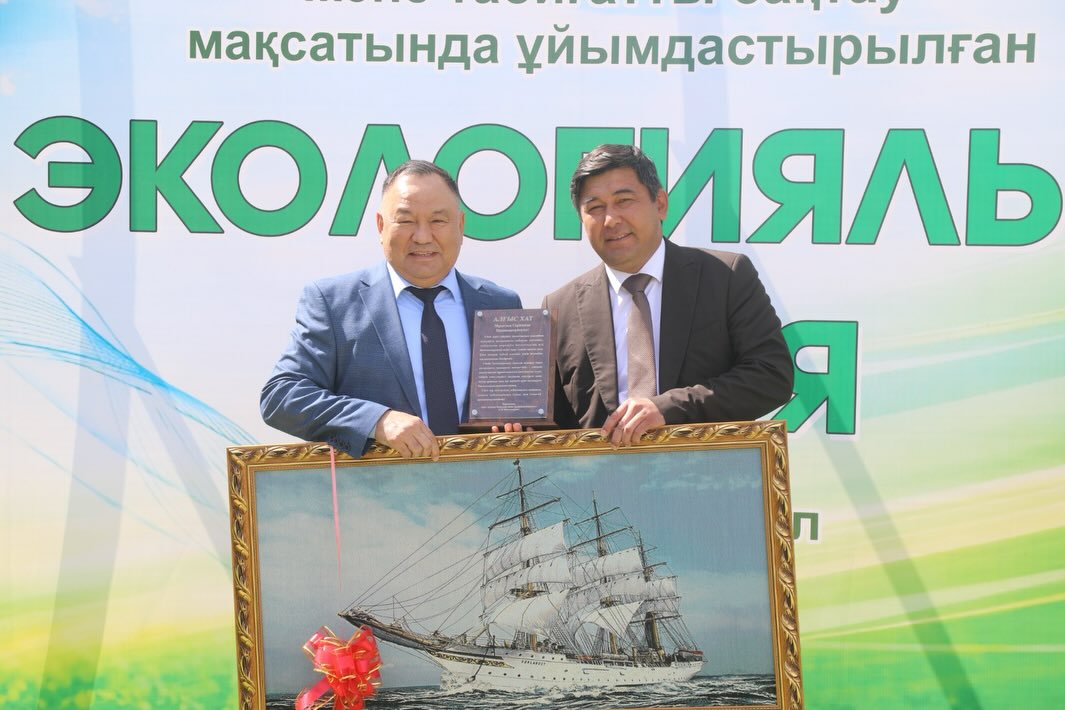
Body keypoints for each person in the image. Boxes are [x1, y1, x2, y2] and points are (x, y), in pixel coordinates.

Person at [261, 160, 521, 459]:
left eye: (438, 220)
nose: (422, 236)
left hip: (485, 484)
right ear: (381, 226)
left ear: (460, 226)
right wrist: (376, 420)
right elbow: (281, 396)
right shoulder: (333, 303)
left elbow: (520, 410)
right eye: (406, 220)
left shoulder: (501, 305)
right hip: (381, 488)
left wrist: (520, 425)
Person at [543, 144, 793, 445]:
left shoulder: (725, 277)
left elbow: (771, 376)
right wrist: (517, 428)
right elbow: (553, 423)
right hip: (600, 474)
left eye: (624, 201)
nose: (610, 219)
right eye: (595, 207)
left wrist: (667, 409)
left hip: (706, 471)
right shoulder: (560, 308)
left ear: (660, 204)